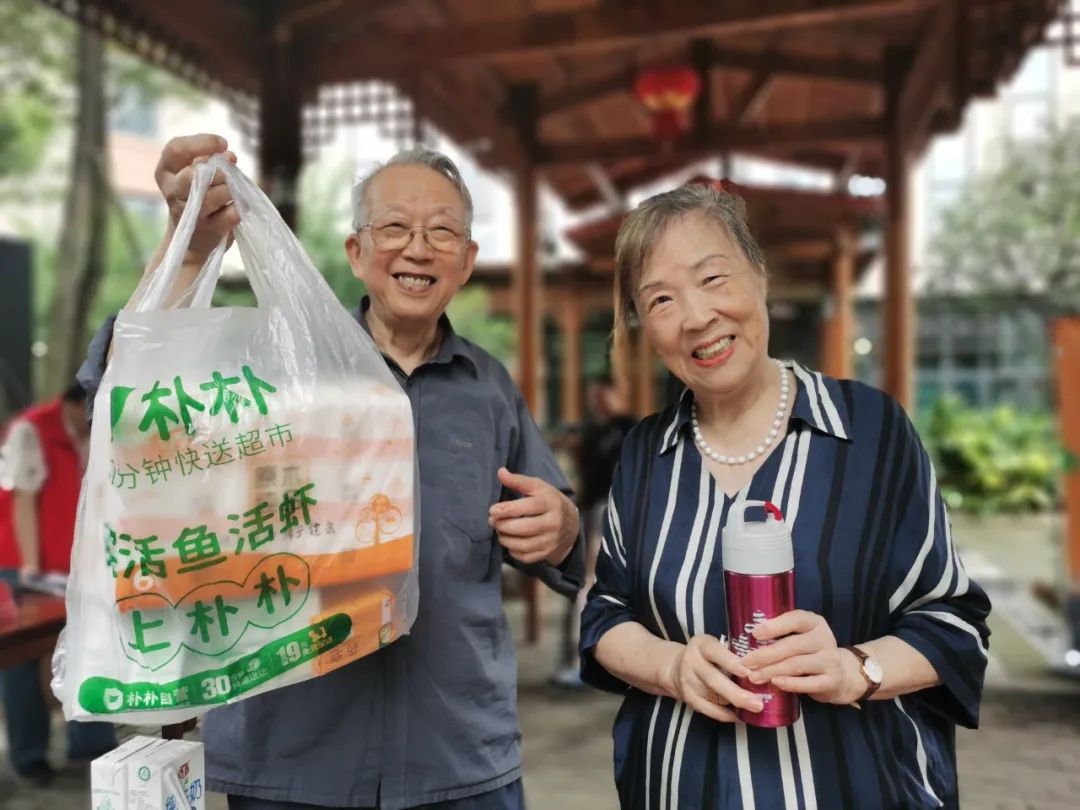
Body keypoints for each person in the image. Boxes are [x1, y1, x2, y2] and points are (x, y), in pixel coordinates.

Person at [77, 135, 584, 809]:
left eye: (441, 231)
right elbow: (136, 388)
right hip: (292, 763)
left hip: (460, 762)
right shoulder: (277, 371)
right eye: (395, 227)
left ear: (466, 262)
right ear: (356, 253)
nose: (417, 247)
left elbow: (563, 538)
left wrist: (562, 523)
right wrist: (190, 246)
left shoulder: (489, 389)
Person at [579, 183, 991, 809]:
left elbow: (953, 620)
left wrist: (855, 669)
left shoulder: (869, 430)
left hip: (857, 786)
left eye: (712, 278)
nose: (695, 316)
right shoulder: (645, 453)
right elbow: (605, 615)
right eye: (660, 300)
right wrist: (671, 667)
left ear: (760, 275)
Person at [0, 383, 117, 786]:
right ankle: (30, 757)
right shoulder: (30, 430)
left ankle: (92, 747)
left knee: (89, 649)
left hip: (74, 565)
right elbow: (23, 501)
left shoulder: (87, 432)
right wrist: (31, 566)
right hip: (22, 566)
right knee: (19, 661)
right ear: (70, 404)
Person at [551, 378, 635, 688]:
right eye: (594, 395)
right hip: (592, 509)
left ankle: (585, 659)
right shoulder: (592, 431)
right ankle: (580, 658)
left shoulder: (630, 429)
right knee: (583, 584)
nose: (598, 400)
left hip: (613, 511)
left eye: (603, 394)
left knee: (592, 583)